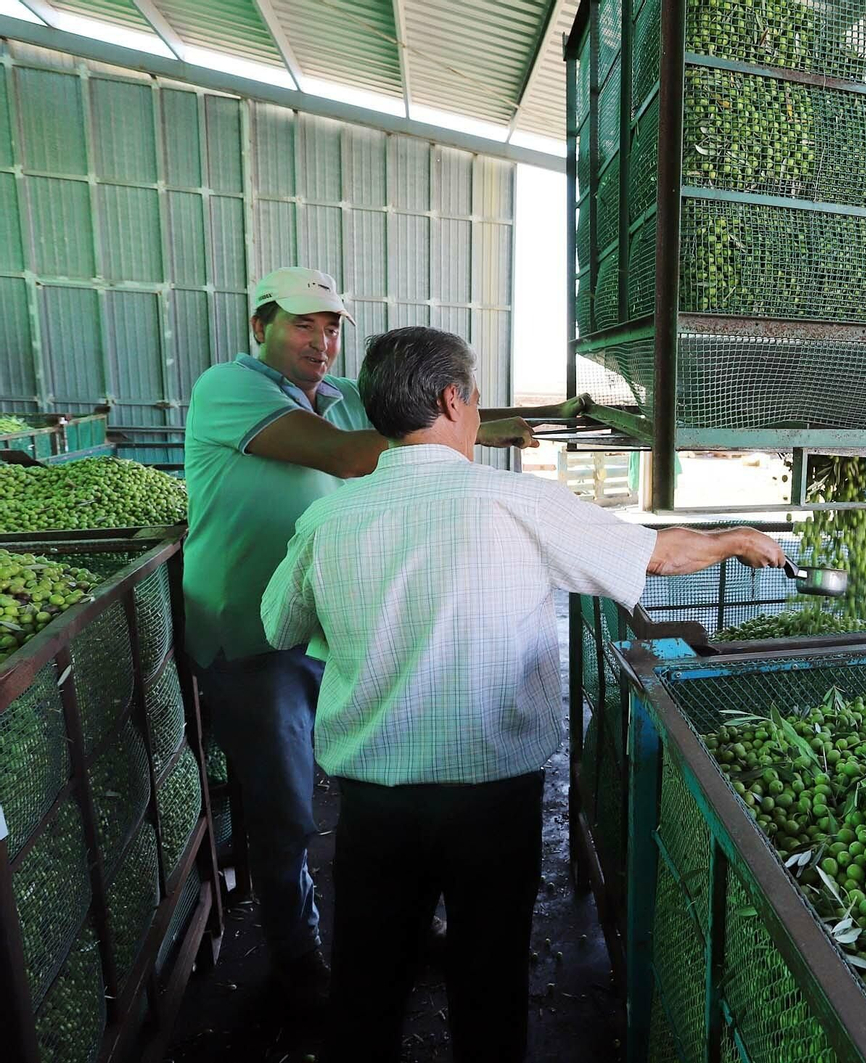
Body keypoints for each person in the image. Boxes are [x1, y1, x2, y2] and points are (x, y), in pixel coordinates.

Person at [259, 325, 787, 1062]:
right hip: (492, 803)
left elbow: (279, 624)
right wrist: (735, 538)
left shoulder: (329, 518)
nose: (477, 412)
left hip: (375, 806)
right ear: (453, 400)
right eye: (475, 398)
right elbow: (659, 556)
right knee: (490, 988)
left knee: (368, 991)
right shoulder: (518, 502)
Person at [182, 268, 533, 1012]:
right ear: (260, 327)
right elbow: (353, 455)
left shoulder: (342, 397)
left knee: (382, 778)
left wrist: (496, 419)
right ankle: (297, 955)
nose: (322, 342)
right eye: (302, 324)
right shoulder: (228, 388)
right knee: (285, 808)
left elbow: (413, 420)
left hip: (330, 624)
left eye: (332, 326)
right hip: (253, 633)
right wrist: (462, 430)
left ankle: (408, 926)